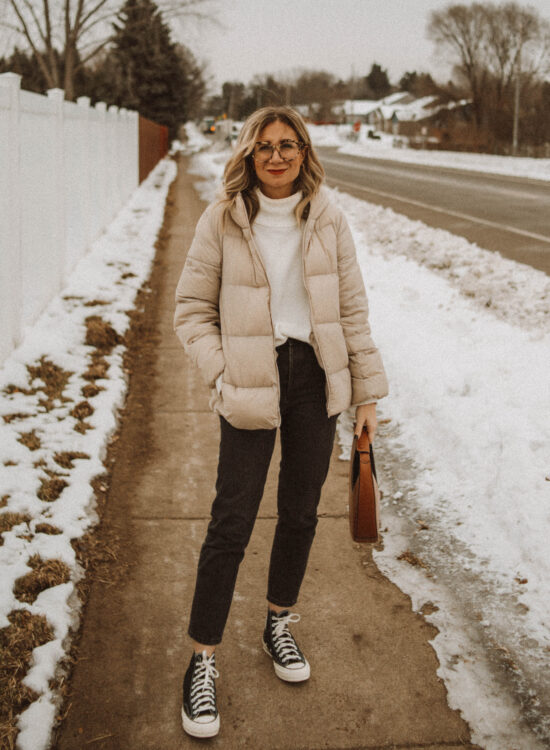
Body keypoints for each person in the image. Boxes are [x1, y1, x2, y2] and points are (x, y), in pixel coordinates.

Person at [174, 106, 388, 738]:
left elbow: (352, 312)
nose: (276, 156)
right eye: (264, 145)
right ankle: (202, 659)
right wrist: (225, 370)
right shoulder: (222, 219)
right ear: (247, 152)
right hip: (250, 378)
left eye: (287, 145)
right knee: (231, 518)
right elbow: (189, 309)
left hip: (314, 380)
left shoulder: (328, 219)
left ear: (304, 152)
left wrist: (366, 396)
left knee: (299, 512)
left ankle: (277, 624)